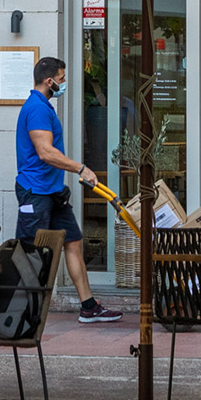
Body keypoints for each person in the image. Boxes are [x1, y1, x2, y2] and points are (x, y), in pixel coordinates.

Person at [15, 56, 123, 324]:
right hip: (35, 192)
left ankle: (88, 306)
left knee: (72, 242)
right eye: (61, 80)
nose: (63, 85)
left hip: (52, 191)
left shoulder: (44, 107)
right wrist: (80, 168)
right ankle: (22, 313)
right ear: (49, 81)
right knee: (31, 253)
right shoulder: (37, 108)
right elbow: (45, 152)